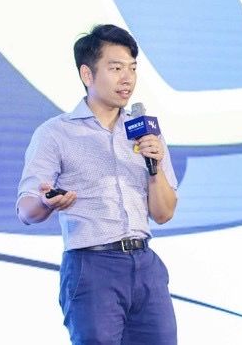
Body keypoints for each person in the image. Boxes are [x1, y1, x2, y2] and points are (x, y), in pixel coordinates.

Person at [16, 24, 179, 344]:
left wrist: (155, 168)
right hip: (92, 266)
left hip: (145, 266)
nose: (127, 78)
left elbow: (164, 213)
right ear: (87, 74)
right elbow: (25, 210)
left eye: (132, 68)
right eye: (116, 68)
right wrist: (47, 203)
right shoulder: (55, 133)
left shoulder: (146, 132)